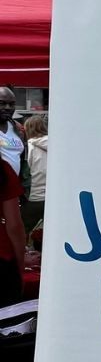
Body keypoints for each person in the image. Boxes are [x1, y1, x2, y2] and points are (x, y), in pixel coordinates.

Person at [0, 86, 27, 306]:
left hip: (12, 192)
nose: (7, 108)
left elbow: (23, 160)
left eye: (11, 103)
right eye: (2, 103)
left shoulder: (18, 129)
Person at [21, 113, 47, 235]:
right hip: (52, 198)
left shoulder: (28, 147)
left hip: (34, 197)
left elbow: (25, 172)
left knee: (22, 231)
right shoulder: (57, 145)